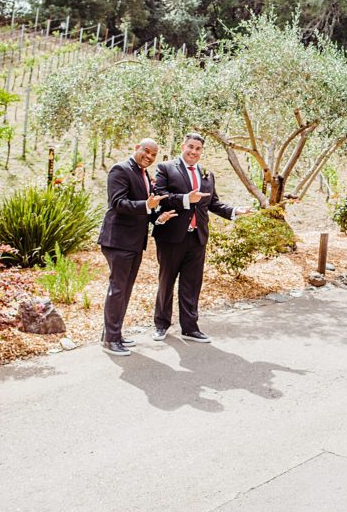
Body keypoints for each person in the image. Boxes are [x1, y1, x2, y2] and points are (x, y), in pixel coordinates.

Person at [152, 133, 250, 343]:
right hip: (171, 236)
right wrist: (186, 199)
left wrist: (235, 211)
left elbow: (213, 203)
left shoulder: (207, 174)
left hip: (197, 237)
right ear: (183, 146)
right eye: (191, 147)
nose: (194, 152)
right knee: (166, 281)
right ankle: (161, 324)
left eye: (198, 148)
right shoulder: (166, 168)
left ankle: (190, 328)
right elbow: (160, 196)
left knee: (192, 284)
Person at [98, 138, 177, 356]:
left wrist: (159, 218)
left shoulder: (143, 175)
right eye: (146, 151)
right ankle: (111, 340)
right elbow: (118, 203)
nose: (149, 156)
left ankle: (112, 333)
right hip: (118, 240)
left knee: (125, 289)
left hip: (134, 242)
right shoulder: (120, 170)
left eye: (153, 154)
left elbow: (145, 210)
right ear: (137, 148)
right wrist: (146, 205)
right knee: (118, 289)